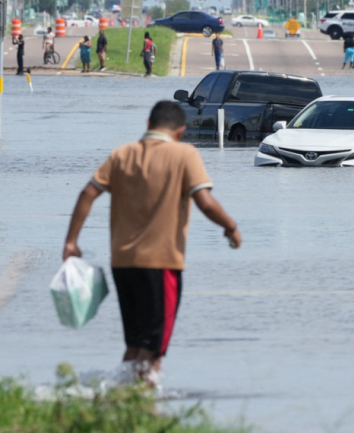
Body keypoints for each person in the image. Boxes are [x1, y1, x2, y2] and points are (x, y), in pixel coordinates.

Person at [62, 101, 242, 386]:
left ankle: (118, 404)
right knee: (154, 350)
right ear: (181, 132)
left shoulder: (122, 154)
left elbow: (87, 192)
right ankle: (145, 411)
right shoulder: (185, 154)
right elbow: (205, 203)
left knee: (135, 345)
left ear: (147, 124)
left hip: (122, 264)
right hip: (162, 265)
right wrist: (231, 227)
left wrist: (71, 242)